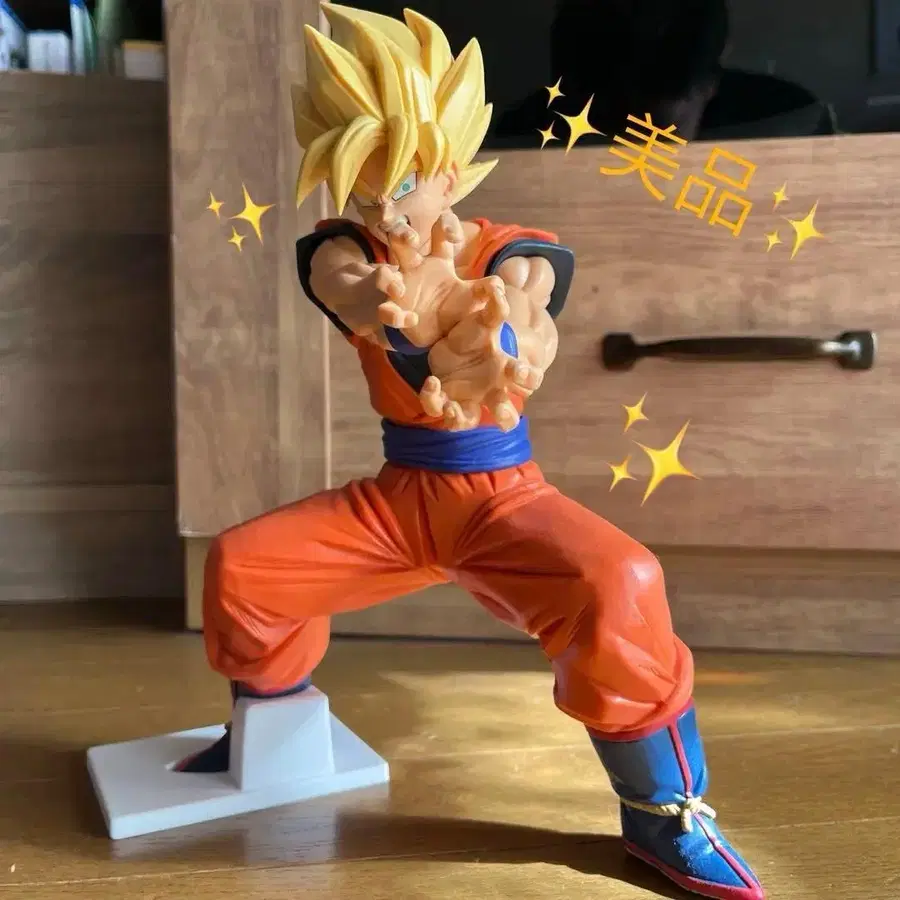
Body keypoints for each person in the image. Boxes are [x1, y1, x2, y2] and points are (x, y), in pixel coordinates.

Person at [180, 5, 764, 898]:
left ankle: (664, 812)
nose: (384, 207)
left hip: (501, 497)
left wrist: (501, 322)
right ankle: (272, 726)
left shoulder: (503, 248)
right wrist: (384, 303)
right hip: (397, 502)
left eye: (403, 181)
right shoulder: (349, 250)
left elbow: (529, 287)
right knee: (245, 568)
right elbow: (342, 283)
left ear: (449, 170)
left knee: (621, 583)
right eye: (363, 187)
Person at [495, 0, 833, 146]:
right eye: (611, 127)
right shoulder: (523, 140)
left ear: (710, 85)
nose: (639, 159)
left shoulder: (789, 122)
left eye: (658, 136)